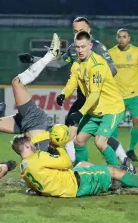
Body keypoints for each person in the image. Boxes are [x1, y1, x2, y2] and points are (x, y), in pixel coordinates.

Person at [19, 17, 130, 165]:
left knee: (101, 139)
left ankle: (123, 161)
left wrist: (96, 80)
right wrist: (34, 59)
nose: (78, 33)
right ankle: (79, 166)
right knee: (75, 135)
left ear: (89, 31)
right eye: (75, 31)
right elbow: (59, 64)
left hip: (102, 100)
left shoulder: (96, 48)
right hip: (84, 98)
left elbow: (113, 69)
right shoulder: (74, 49)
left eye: (81, 30)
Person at [11, 135, 138, 198]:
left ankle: (111, 181)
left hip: (64, 188)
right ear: (25, 145)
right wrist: (58, 146)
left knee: (83, 164)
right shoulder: (38, 156)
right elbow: (66, 162)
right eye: (30, 143)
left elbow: (33, 186)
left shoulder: (23, 168)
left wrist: (37, 191)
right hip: (77, 184)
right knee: (114, 171)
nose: (34, 144)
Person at [60, 30, 126, 168]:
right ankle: (82, 169)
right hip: (94, 112)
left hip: (111, 109)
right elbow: (73, 82)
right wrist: (63, 94)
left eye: (83, 46)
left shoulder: (97, 65)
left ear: (90, 46)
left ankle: (117, 174)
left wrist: (80, 112)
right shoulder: (77, 64)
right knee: (78, 141)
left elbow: (95, 94)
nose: (80, 50)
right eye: (77, 47)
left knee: (100, 142)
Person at [107, 28, 138, 161]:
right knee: (113, 125)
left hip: (134, 94)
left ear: (129, 38)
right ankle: (114, 150)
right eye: (119, 37)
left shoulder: (137, 52)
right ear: (116, 38)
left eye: (124, 37)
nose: (121, 39)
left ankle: (131, 150)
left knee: (137, 121)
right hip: (116, 95)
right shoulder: (110, 53)